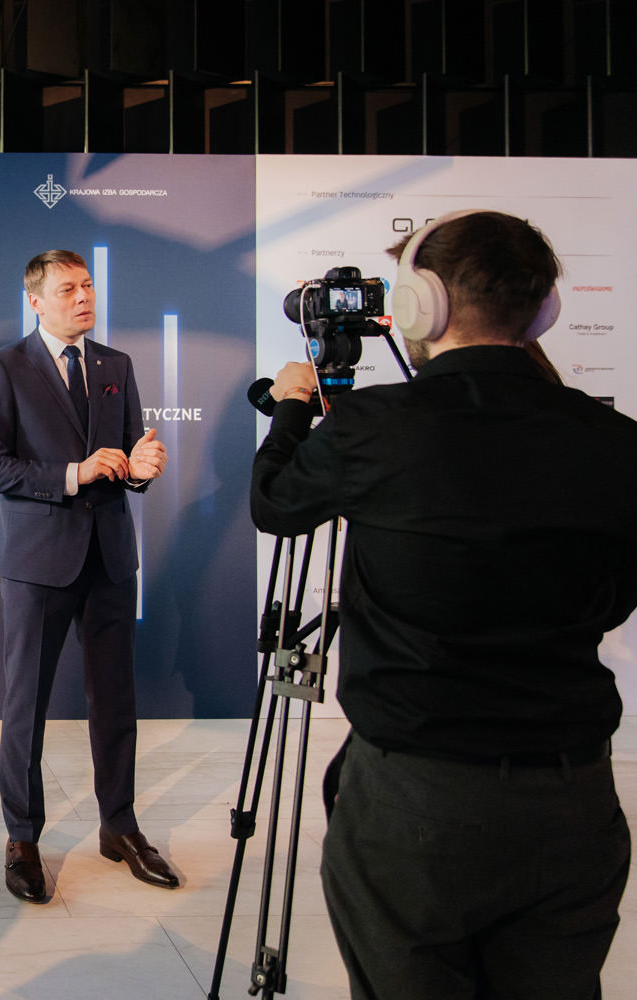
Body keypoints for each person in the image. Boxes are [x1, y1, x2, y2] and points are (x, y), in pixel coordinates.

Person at [252, 210, 637, 999]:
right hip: (574, 800)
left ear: (420, 304)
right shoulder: (616, 440)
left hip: (415, 804)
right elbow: (617, 597)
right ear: (543, 310)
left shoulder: (374, 428)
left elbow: (276, 505)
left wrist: (293, 404)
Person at [0, 249, 178, 903]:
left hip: (110, 557)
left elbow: (130, 459)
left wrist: (141, 470)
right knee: (25, 706)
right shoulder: (3, 366)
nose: (84, 297)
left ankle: (120, 827)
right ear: (35, 301)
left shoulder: (117, 364)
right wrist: (72, 474)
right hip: (37, 562)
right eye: (67, 289)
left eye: (87, 285)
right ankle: (22, 838)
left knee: (115, 701)